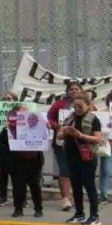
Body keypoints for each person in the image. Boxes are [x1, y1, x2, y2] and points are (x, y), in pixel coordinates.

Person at [57, 93, 103, 225]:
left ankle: (94, 216)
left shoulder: (93, 119)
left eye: (80, 106)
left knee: (89, 186)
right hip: (71, 156)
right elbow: (59, 136)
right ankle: (79, 214)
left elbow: (98, 139)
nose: (77, 109)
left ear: (88, 105)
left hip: (87, 156)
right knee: (76, 186)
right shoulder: (70, 118)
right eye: (75, 106)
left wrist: (81, 135)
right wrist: (65, 132)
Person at [47, 82, 84, 212]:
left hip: (80, 143)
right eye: (71, 89)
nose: (74, 91)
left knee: (77, 170)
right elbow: (49, 117)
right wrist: (55, 125)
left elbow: (95, 116)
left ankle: (75, 196)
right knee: (64, 170)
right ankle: (65, 199)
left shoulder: (87, 104)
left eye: (77, 89)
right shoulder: (58, 105)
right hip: (61, 142)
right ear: (67, 91)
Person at [8, 104, 44, 218]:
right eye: (22, 110)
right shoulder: (11, 124)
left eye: (26, 110)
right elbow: (4, 140)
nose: (25, 111)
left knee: (35, 184)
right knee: (18, 185)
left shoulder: (36, 121)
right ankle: (18, 209)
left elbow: (43, 136)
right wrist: (7, 129)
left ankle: (38, 209)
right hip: (18, 159)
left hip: (34, 159)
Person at [0, 92, 17, 207]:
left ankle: (20, 198)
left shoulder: (20, 113)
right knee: (3, 173)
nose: (6, 100)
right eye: (4, 99)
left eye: (9, 99)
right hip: (3, 146)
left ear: (15, 101)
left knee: (18, 174)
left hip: (17, 147)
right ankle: (3, 197)